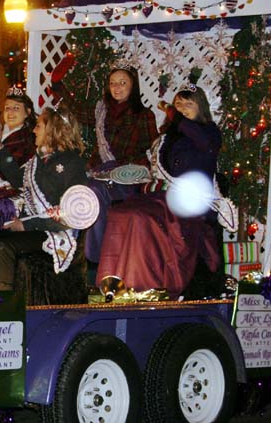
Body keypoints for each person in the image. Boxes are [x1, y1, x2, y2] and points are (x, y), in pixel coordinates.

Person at [96, 86, 226, 298]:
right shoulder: (166, 138)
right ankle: (114, 283)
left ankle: (142, 284)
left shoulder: (209, 132)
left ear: (200, 107)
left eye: (188, 104)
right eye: (178, 104)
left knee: (140, 218)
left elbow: (203, 143)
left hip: (189, 202)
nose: (182, 108)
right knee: (119, 213)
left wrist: (177, 119)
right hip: (160, 197)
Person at [51, 57, 159, 264]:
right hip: (102, 174)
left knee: (91, 190)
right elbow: (75, 109)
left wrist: (129, 167)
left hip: (129, 177)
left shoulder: (144, 115)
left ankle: (95, 259)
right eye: (113, 83)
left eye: (123, 82)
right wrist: (57, 84)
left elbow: (153, 149)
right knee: (80, 190)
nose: (117, 87)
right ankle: (69, 252)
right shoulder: (102, 111)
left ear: (133, 86)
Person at [0, 105, 88, 296]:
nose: (34, 130)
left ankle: (3, 306)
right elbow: (18, 180)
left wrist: (26, 225)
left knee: (2, 246)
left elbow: (72, 213)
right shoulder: (38, 160)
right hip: (35, 227)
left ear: (53, 130)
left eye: (39, 126)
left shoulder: (72, 163)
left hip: (54, 231)